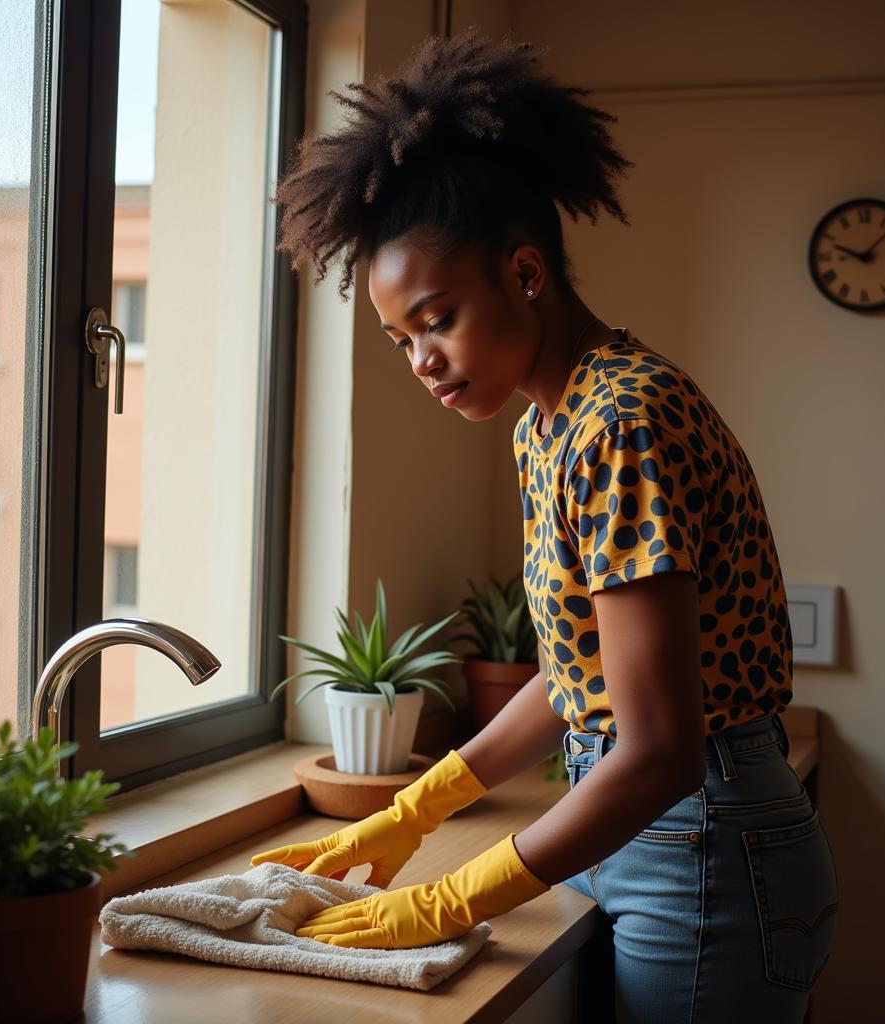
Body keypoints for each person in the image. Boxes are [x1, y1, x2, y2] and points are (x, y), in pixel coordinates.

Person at [249, 28, 839, 1023]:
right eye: (400, 338)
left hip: (700, 842)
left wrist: (452, 892)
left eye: (435, 317)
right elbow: (582, 684)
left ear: (525, 275)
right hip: (648, 831)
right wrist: (414, 809)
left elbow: (657, 749)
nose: (421, 360)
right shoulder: (547, 423)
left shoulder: (621, 419)